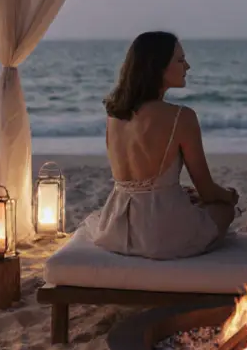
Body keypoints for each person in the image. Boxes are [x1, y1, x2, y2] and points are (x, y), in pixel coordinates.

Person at [87, 31, 239, 259]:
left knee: (191, 200)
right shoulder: (181, 117)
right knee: (224, 210)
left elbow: (134, 181)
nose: (187, 66)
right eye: (180, 60)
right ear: (157, 67)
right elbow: (208, 191)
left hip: (116, 228)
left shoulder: (114, 115)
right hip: (160, 236)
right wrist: (230, 195)